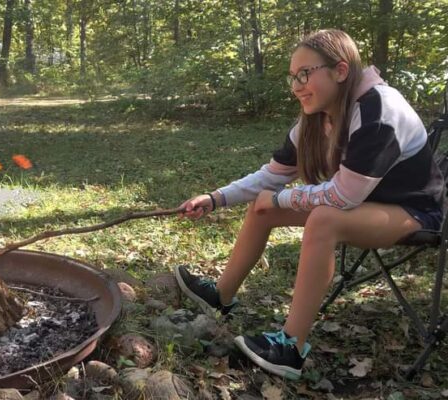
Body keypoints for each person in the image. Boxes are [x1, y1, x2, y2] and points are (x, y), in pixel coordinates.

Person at [175, 29, 444, 380]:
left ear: (341, 71)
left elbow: (344, 195)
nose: (296, 86)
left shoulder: (380, 110)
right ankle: (220, 296)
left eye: (305, 74)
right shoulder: (317, 117)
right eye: (293, 77)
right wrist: (215, 198)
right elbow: (271, 176)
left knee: (324, 218)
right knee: (263, 206)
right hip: (365, 204)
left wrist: (282, 197)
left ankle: (290, 346)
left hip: (415, 213)